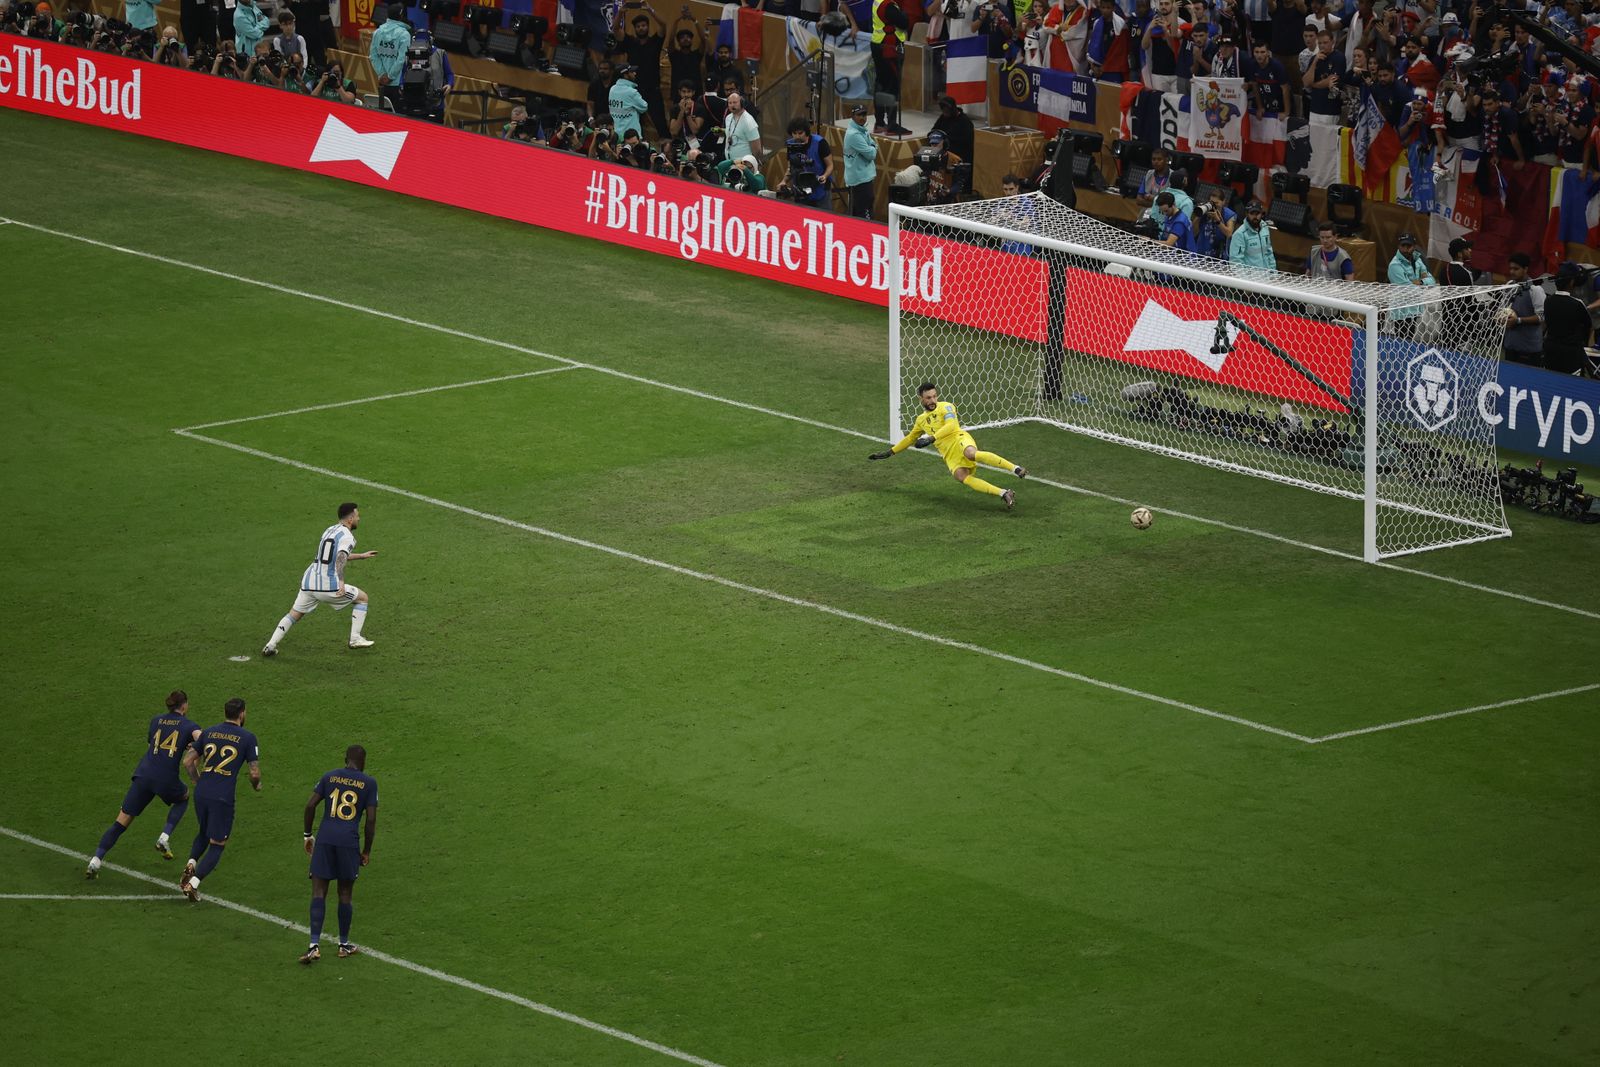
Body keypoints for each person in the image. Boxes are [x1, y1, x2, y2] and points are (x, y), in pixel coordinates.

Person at [85, 691, 204, 878]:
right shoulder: (189, 725)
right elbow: (203, 740)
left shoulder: (156, 720)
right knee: (183, 797)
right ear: (183, 705)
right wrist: (195, 750)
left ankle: (95, 860)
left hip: (143, 774)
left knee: (121, 821)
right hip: (165, 777)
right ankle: (164, 837)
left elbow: (154, 745)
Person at [868, 383, 1028, 509]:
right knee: (961, 476)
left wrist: (931, 438)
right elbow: (910, 438)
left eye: (934, 396)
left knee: (971, 453)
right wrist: (890, 452)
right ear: (921, 399)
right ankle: (1004, 493)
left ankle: (1016, 469)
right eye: (928, 398)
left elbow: (951, 425)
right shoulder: (921, 420)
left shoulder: (946, 406)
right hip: (948, 453)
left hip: (959, 439)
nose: (932, 400)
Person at [262, 502, 379, 657]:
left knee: (294, 614)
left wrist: (361, 556)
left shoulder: (329, 530)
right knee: (362, 599)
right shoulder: (348, 536)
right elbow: (340, 558)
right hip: (328, 585)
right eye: (357, 516)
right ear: (350, 519)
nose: (359, 518)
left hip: (309, 581)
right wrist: (341, 581)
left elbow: (331, 556)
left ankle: (270, 645)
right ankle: (355, 638)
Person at [298, 745, 379, 964]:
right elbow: (371, 820)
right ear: (363, 762)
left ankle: (314, 945)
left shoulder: (329, 776)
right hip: (348, 843)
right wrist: (366, 850)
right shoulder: (369, 783)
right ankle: (343, 945)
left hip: (325, 839)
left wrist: (307, 835)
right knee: (345, 893)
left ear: (345, 759)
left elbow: (310, 805)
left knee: (318, 891)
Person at [179, 698, 260, 902]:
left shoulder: (209, 732)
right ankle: (193, 883)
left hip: (202, 792)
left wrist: (197, 781)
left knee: (204, 832)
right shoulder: (248, 737)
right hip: (222, 797)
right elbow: (254, 773)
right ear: (241, 714)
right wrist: (256, 785)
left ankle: (191, 862)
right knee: (217, 844)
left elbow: (188, 761)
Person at [614, 2, 668, 139]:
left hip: (653, 88)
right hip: (634, 89)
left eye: (643, 25)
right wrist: (620, 12)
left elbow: (663, 25)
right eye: (638, 26)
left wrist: (649, 9)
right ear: (635, 29)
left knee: (660, 122)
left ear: (648, 27)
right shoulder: (630, 42)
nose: (641, 28)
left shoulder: (655, 41)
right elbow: (616, 29)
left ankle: (667, 146)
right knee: (634, 121)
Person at [1542, 263, 1594, 375]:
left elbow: (1546, 323)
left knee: (1550, 380)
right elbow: (1588, 326)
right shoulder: (1577, 304)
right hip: (1570, 354)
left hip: (1550, 350)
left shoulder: (1548, 301)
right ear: (1571, 282)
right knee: (1570, 383)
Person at [1385, 232, 1436, 338]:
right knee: (1401, 340)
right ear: (1398, 246)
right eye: (1403, 245)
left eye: (1409, 246)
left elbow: (1432, 281)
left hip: (1415, 308)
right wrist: (1422, 282)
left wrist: (1421, 282)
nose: (1405, 249)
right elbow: (1408, 289)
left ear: (1414, 246)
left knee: (1409, 339)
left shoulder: (1418, 260)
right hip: (1401, 310)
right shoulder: (1395, 265)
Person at [1501, 252, 1547, 367]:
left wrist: (1518, 320)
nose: (1512, 272)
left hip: (1529, 349)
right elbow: (1504, 309)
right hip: (1510, 345)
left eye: (1516, 269)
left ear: (1525, 269)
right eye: (1510, 268)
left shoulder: (1535, 289)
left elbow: (1542, 316)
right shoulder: (1509, 285)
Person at [780, 116, 834, 208]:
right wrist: (784, 181)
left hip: (820, 188)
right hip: (800, 190)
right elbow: (790, 167)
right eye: (794, 133)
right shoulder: (791, 145)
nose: (797, 136)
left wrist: (824, 176)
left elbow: (830, 165)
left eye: (800, 133)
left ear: (807, 132)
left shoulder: (820, 142)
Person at [369, 4, 410, 112]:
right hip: (398, 83)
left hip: (382, 82)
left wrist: (382, 74)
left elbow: (373, 56)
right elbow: (402, 59)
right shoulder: (404, 35)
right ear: (401, 16)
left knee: (384, 115)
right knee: (398, 117)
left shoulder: (377, 32)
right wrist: (390, 76)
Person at [844, 103, 879, 219]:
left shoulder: (862, 130)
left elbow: (872, 145)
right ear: (853, 116)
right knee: (864, 215)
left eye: (864, 114)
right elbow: (871, 154)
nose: (862, 117)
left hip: (861, 179)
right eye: (859, 115)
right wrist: (873, 146)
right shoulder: (854, 134)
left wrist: (872, 146)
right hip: (860, 181)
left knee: (858, 213)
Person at [1229, 199, 1276, 268]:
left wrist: (1273, 272)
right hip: (1250, 274)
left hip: (1266, 273)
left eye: (1257, 213)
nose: (1255, 217)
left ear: (1261, 214)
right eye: (1252, 213)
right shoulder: (1239, 234)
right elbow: (1235, 262)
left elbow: (1269, 252)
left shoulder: (1265, 228)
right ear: (1246, 214)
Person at [609, 64, 651, 140]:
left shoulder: (612, 89)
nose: (635, 73)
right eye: (631, 72)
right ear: (625, 75)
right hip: (631, 137)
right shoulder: (631, 92)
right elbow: (644, 107)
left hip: (616, 135)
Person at [931, 95, 976, 162]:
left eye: (947, 111)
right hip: (944, 148)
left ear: (952, 110)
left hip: (959, 151)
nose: (945, 113)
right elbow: (934, 130)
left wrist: (945, 141)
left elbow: (966, 141)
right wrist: (936, 139)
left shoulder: (964, 121)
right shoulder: (943, 118)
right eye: (943, 111)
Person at [1194, 186, 1236, 258]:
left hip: (1218, 256)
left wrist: (1217, 220)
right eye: (1212, 203)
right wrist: (1199, 215)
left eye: (1216, 203)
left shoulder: (1229, 214)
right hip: (1201, 254)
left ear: (1223, 202)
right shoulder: (1205, 211)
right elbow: (1193, 232)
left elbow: (1229, 233)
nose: (1213, 205)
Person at [723, 92, 762, 164]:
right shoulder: (728, 118)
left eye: (735, 102)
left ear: (742, 103)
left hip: (745, 165)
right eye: (730, 103)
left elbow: (757, 149)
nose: (732, 105)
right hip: (730, 163)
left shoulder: (748, 121)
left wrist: (751, 164)